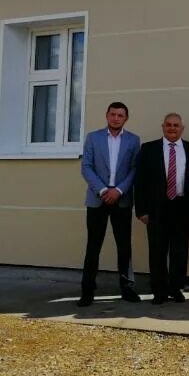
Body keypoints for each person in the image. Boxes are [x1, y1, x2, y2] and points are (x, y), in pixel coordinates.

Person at [78, 102, 141, 307]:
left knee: (124, 246)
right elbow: (86, 167)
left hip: (121, 199)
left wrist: (119, 190)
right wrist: (104, 190)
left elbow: (134, 169)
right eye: (113, 114)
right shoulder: (93, 137)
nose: (116, 118)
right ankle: (87, 290)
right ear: (106, 115)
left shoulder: (133, 140)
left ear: (126, 118)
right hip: (98, 198)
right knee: (93, 246)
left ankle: (127, 288)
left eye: (120, 115)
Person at [134, 113, 189, 305]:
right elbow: (140, 182)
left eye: (176, 125)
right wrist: (141, 210)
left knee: (180, 251)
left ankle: (176, 288)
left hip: (182, 206)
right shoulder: (148, 149)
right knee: (157, 250)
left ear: (182, 128)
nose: (172, 128)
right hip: (156, 208)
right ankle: (159, 291)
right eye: (169, 125)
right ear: (163, 127)